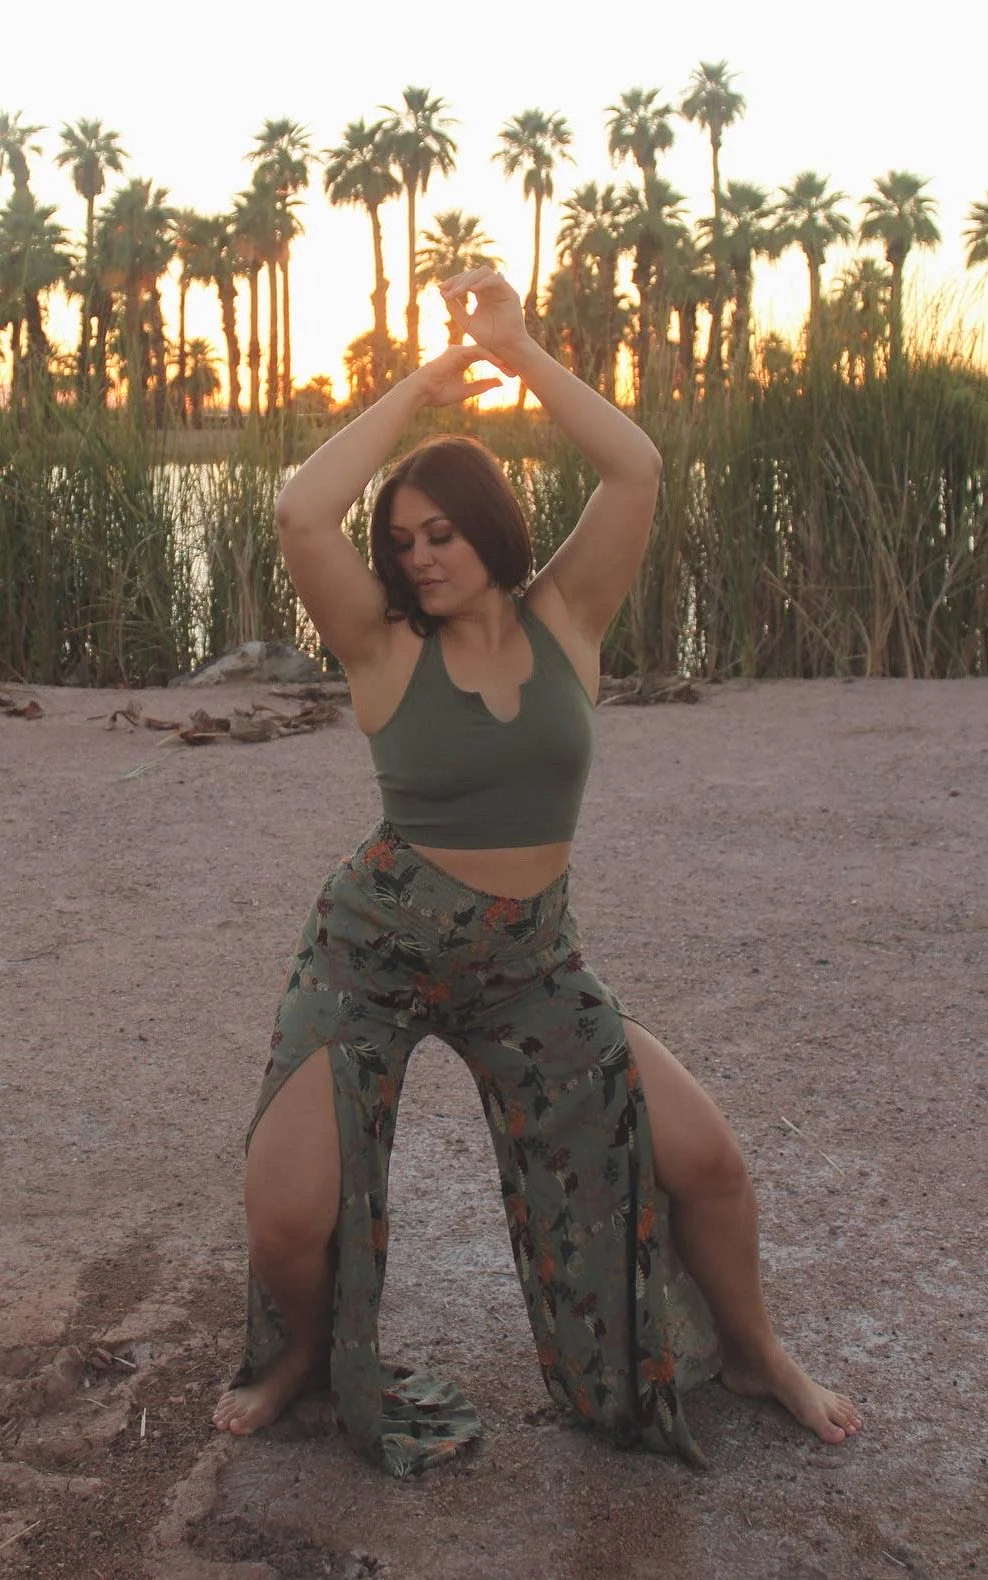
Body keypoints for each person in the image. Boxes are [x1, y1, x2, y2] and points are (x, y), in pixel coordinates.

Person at [213, 269, 861, 1476]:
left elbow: (636, 468)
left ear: (489, 525)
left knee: (708, 1160)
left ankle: (756, 1350)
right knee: (288, 1213)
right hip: (372, 954)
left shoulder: (569, 616)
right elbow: (302, 511)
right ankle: (303, 1354)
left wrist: (516, 351)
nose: (417, 558)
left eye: (440, 533)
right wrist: (421, 384)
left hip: (530, 965)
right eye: (401, 543)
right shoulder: (379, 645)